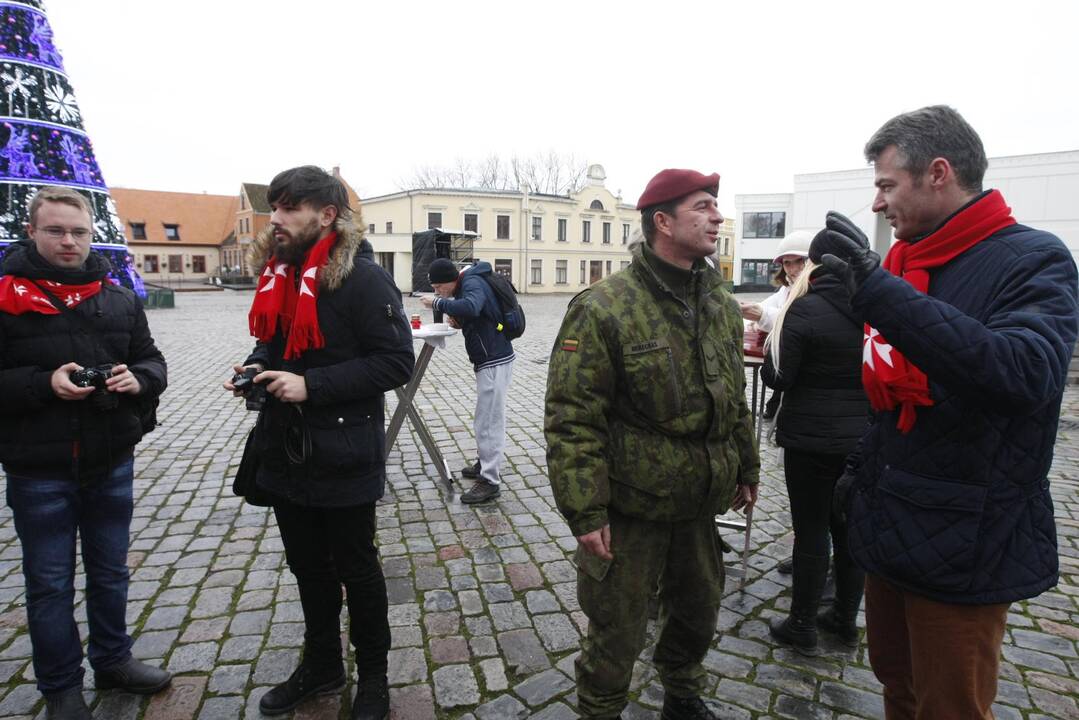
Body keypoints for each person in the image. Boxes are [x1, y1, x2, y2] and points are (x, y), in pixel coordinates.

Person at [819, 106, 1078, 719]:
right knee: (898, 689)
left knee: (950, 708)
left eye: (886, 185)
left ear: (938, 173)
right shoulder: (906, 261)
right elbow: (895, 398)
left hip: (966, 542)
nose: (877, 204)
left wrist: (881, 294)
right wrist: (860, 472)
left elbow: (1022, 371)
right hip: (891, 526)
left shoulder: (1034, 259)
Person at [545, 168, 760, 720]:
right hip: (632, 504)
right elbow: (573, 418)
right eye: (703, 207)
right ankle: (600, 708)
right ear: (662, 222)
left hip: (698, 501)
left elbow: (733, 396)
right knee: (617, 626)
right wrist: (585, 510)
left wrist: (747, 467)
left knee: (697, 611)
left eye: (717, 206)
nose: (717, 217)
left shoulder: (718, 301)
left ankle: (682, 696)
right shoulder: (604, 306)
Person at [224, 166, 414, 720]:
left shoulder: (362, 278)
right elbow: (272, 342)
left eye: (288, 208)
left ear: (326, 215)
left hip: (344, 452)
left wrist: (313, 385)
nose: (275, 219)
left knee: (358, 569)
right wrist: (256, 366)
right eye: (274, 207)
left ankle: (374, 678)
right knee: (307, 567)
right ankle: (323, 663)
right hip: (285, 449)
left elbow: (395, 361)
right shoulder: (279, 273)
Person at [0, 186, 170, 720]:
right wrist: (41, 382)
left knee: (111, 572)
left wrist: (135, 379)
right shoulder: (5, 296)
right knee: (49, 584)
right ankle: (61, 689)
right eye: (55, 230)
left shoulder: (117, 297)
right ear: (32, 231)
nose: (68, 241)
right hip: (38, 467)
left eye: (78, 231)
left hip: (109, 459)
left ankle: (113, 661)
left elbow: (152, 361)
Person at [760, 234, 869, 656]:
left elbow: (779, 377)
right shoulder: (871, 306)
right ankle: (844, 619)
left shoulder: (803, 309)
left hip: (810, 440)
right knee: (848, 532)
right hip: (860, 439)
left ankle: (801, 623)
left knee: (811, 531)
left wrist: (771, 354)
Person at [421, 258, 514, 504]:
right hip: (491, 356)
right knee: (485, 417)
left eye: (438, 287)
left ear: (451, 280)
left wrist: (439, 303)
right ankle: (485, 463)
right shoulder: (467, 282)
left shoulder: (472, 282)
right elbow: (478, 314)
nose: (436, 291)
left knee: (488, 421)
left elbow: (472, 306)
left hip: (494, 359)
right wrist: (459, 320)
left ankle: (490, 481)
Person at [740, 230, 812, 421]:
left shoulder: (817, 287)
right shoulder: (787, 287)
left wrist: (762, 316)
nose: (792, 268)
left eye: (799, 261)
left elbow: (798, 321)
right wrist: (752, 317)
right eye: (787, 263)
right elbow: (766, 307)